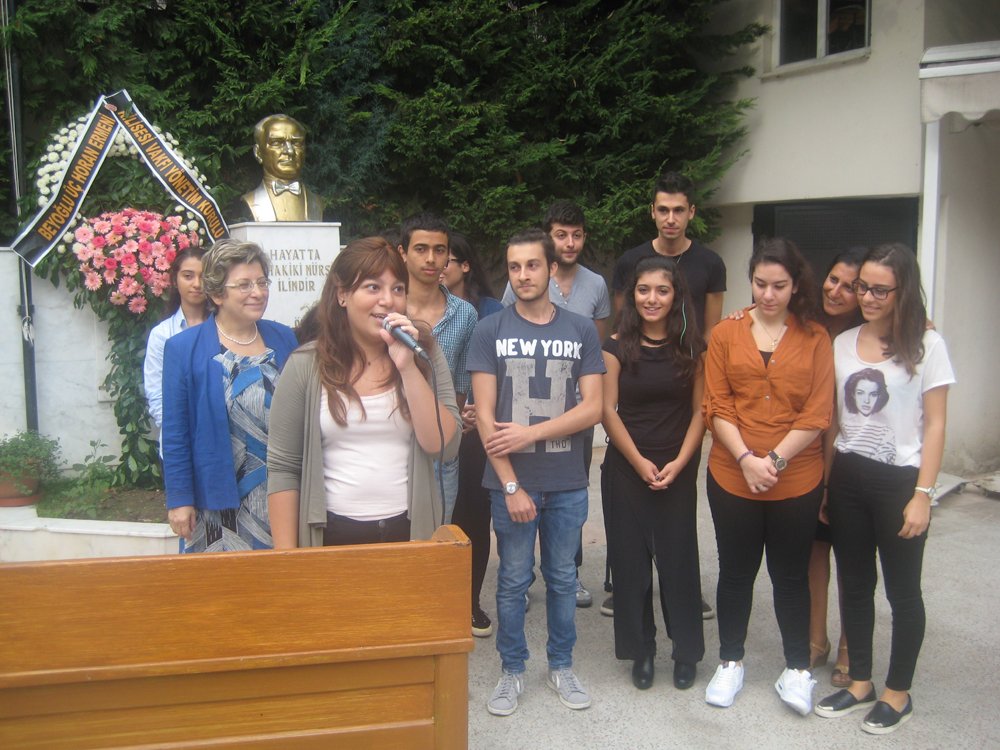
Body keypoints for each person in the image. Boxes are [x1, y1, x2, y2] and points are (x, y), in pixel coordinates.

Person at [815, 243, 954, 735]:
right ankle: (860, 682)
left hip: (900, 481)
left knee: (902, 591)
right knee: (855, 584)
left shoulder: (927, 345)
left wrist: (923, 495)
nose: (868, 297)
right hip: (848, 476)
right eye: (863, 288)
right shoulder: (842, 342)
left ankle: (898, 692)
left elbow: (936, 424)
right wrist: (828, 485)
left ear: (903, 291)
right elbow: (836, 423)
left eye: (880, 290)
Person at [468, 228, 605, 716]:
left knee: (563, 579)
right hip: (511, 484)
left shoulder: (581, 330)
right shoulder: (490, 330)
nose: (523, 275)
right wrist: (510, 485)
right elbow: (485, 417)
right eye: (514, 267)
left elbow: (593, 408)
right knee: (512, 580)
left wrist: (530, 433)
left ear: (551, 268)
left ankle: (561, 665)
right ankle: (512, 670)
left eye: (532, 265)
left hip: (566, 480)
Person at [701, 237, 833, 715]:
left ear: (795, 285)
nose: (768, 294)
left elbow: (817, 412)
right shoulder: (726, 333)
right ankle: (730, 661)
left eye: (779, 285)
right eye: (760, 284)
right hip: (732, 474)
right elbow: (716, 404)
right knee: (736, 572)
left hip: (796, 479)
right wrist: (745, 459)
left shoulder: (816, 338)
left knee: (790, 575)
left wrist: (773, 461)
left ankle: (797, 668)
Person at [266, 237, 461, 548]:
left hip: (409, 531)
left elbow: (444, 447)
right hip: (332, 536)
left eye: (398, 289)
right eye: (373, 287)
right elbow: (283, 469)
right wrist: (287, 560)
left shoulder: (423, 354)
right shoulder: (305, 365)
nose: (387, 300)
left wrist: (408, 368)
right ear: (342, 295)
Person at [609, 171, 726, 619]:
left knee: (677, 519)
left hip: (684, 379)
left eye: (679, 210)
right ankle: (628, 587)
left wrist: (692, 370)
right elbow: (624, 325)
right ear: (653, 212)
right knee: (629, 515)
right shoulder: (631, 261)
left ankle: (682, 593)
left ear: (691, 213)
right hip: (640, 382)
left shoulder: (710, 263)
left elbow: (712, 331)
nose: (671, 218)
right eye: (663, 210)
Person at [601, 255, 707, 692]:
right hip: (627, 467)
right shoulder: (614, 347)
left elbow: (701, 412)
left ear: (676, 296)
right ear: (632, 296)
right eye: (643, 290)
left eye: (662, 290)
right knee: (630, 566)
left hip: (678, 465)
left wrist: (680, 462)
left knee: (679, 563)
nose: (652, 298)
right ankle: (641, 651)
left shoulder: (693, 348)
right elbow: (607, 411)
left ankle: (686, 652)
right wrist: (638, 461)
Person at [502, 201, 611, 609]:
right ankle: (523, 575)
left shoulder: (595, 285)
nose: (569, 242)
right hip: (525, 409)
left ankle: (568, 571)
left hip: (575, 411)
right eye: (561, 235)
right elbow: (507, 339)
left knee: (569, 495)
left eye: (576, 234)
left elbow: (596, 345)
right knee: (523, 494)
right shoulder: (522, 280)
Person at [162, 239, 298, 551]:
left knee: (282, 578)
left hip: (282, 492)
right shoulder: (184, 349)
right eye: (245, 285)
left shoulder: (284, 338)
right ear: (216, 294)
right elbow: (175, 432)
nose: (258, 292)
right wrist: (180, 499)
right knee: (221, 581)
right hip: (217, 500)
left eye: (262, 282)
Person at [397, 213, 478, 525]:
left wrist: (442, 425)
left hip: (440, 450)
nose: (431, 258)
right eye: (421, 249)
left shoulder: (466, 315)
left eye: (439, 250)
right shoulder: (385, 308)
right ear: (403, 252)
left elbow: (460, 387)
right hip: (390, 441)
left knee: (435, 536)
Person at [442, 232, 503, 638]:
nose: (437, 264)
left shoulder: (489, 311)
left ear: (465, 266)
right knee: (439, 515)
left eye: (446, 257)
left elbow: (501, 367)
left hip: (476, 427)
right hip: (433, 428)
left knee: (474, 516)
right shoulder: (412, 305)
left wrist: (478, 408)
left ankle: (471, 601)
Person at [144, 245, 208, 433]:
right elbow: (157, 394)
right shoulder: (162, 334)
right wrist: (176, 434)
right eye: (188, 276)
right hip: (179, 435)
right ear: (175, 280)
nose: (197, 284)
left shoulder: (224, 327)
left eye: (203, 277)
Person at [238, 114, 325, 222]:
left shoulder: (317, 203)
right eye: (277, 143)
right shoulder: (251, 201)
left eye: (296, 143)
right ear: (258, 153)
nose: (289, 151)